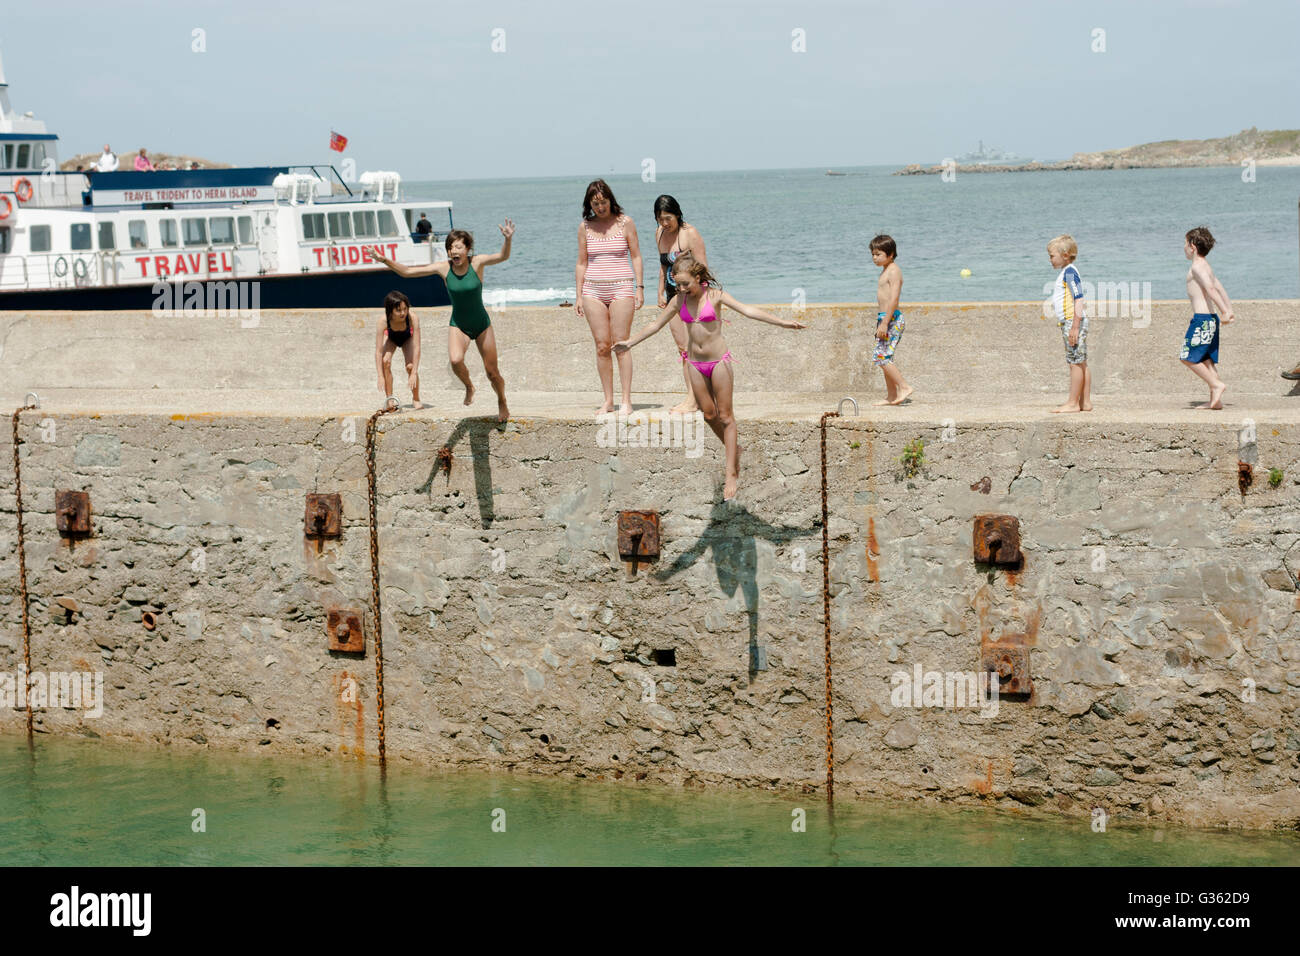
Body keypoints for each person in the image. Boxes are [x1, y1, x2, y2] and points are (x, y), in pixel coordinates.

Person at [614, 258, 805, 502]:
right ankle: (734, 449)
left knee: (726, 417)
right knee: (708, 415)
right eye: (677, 284)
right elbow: (655, 325)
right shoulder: (678, 300)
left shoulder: (715, 296)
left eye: (685, 284)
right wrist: (629, 342)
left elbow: (749, 311)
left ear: (698, 279)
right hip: (694, 363)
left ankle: (731, 472)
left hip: (719, 362)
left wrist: (783, 322)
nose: (681, 289)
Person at [371, 221, 515, 422]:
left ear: (467, 248)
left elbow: (503, 256)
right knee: (456, 360)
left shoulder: (478, 263)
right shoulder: (443, 268)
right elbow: (407, 272)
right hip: (459, 324)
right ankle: (469, 386)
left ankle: (502, 401)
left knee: (493, 373)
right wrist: (384, 259)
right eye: (450, 247)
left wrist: (507, 239)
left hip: (482, 324)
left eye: (458, 247)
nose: (453, 251)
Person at [576, 180, 643, 416]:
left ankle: (626, 400)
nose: (600, 207)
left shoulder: (626, 222)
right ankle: (608, 400)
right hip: (592, 290)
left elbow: (636, 256)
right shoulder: (585, 226)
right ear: (589, 204)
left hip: (622, 287)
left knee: (621, 343)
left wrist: (640, 287)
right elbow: (582, 262)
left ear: (610, 200)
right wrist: (578, 295)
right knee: (602, 345)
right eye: (595, 203)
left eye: (603, 202)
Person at [654, 195, 708, 414]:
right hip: (671, 296)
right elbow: (663, 266)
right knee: (683, 349)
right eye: (660, 219)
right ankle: (692, 397)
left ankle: (695, 399)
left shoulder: (690, 234)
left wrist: (702, 300)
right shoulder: (659, 234)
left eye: (668, 218)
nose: (665, 223)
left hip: (691, 296)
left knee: (695, 348)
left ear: (677, 213)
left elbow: (703, 268)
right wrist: (659, 291)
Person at [1181, 226, 1236, 410]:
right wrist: (1228, 308)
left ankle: (1216, 385)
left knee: (1187, 357)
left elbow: (1212, 290)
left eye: (1185, 243)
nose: (1183, 247)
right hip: (1209, 319)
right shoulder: (1206, 266)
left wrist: (1225, 311)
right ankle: (1215, 400)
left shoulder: (1197, 267)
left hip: (1202, 320)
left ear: (1193, 246)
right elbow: (1219, 287)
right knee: (1206, 360)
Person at [1047, 234, 1091, 413]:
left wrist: (1074, 326)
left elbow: (1078, 299)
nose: (1050, 259)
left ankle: (1073, 403)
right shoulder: (1067, 272)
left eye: (1052, 256)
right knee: (1081, 362)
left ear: (1065, 255)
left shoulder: (1070, 272)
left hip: (1073, 322)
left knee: (1074, 362)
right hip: (1074, 322)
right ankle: (1085, 402)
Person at [870, 234, 913, 405]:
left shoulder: (894, 271)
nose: (875, 258)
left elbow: (894, 299)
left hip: (892, 319)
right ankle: (892, 396)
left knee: (881, 357)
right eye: (873, 254)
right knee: (885, 357)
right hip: (884, 318)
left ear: (891, 254)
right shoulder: (886, 270)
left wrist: (886, 322)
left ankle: (904, 387)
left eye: (878, 254)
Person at [374, 290, 422, 410]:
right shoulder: (383, 321)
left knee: (410, 367)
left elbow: (417, 347)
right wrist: (380, 375)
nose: (403, 313)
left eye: (405, 309)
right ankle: (389, 399)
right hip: (391, 338)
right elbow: (378, 351)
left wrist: (414, 372)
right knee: (385, 361)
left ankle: (416, 398)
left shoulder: (412, 318)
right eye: (398, 310)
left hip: (407, 338)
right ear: (390, 310)